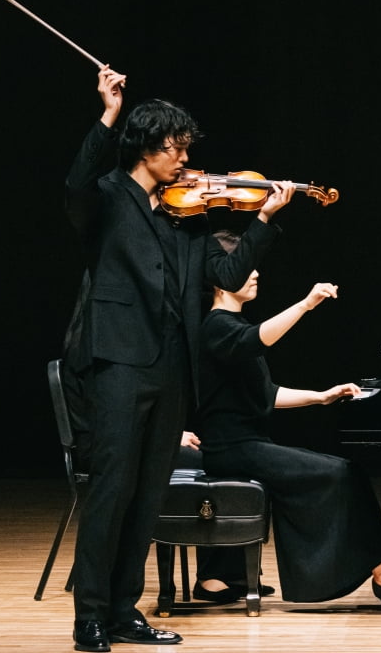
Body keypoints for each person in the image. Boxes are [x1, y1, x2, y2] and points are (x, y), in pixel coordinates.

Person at [64, 67, 294, 652]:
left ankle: (123, 610)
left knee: (147, 496)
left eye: (187, 148)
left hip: (171, 368)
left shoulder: (185, 216)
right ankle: (89, 615)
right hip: (118, 361)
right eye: (176, 147)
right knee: (112, 490)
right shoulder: (110, 198)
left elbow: (224, 276)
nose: (185, 159)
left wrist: (262, 221)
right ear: (146, 147)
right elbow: (77, 183)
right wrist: (108, 113)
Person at [192, 230, 381, 606]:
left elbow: (267, 394)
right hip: (231, 449)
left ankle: (218, 579)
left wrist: (321, 396)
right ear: (220, 278)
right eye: (245, 267)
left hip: (248, 446)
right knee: (340, 473)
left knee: (345, 471)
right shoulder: (216, 327)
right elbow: (258, 339)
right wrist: (305, 304)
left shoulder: (232, 328)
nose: (255, 273)